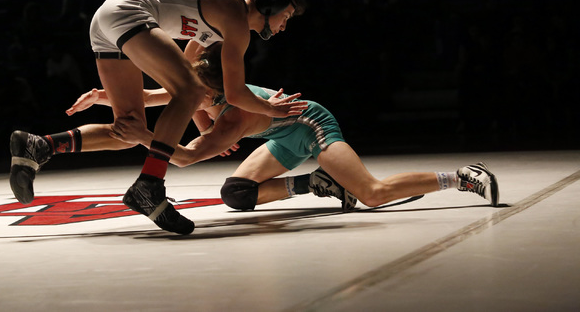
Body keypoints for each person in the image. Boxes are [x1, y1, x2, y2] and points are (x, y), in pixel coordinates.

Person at [9, 0, 308, 235]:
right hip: (127, 14)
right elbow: (233, 94)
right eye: (287, 15)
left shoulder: (219, 26)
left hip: (107, 20)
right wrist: (272, 108)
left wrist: (205, 129)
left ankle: (39, 146)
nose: (284, 25)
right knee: (188, 91)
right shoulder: (235, 18)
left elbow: (194, 84)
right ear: (272, 2)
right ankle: (149, 185)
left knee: (129, 128)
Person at [68, 42, 500, 213]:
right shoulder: (199, 91)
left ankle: (463, 177)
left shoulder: (232, 116)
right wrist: (101, 95)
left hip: (310, 124)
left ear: (212, 94)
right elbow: (150, 96)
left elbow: (182, 157)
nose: (179, 96)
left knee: (372, 194)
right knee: (236, 194)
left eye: (188, 93)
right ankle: (319, 183)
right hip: (278, 135)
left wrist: (145, 137)